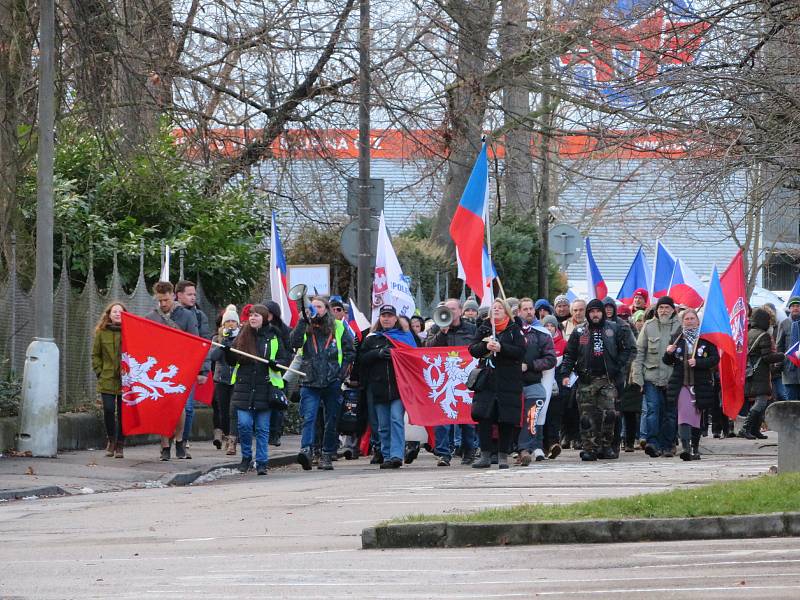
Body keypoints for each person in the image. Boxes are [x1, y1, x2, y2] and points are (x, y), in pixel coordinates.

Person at [221, 304, 290, 475]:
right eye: (251, 315)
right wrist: (228, 350)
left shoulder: (274, 336)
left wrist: (277, 364)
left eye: (257, 315)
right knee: (244, 425)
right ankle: (246, 457)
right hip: (244, 387)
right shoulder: (243, 335)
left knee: (262, 428)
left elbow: (284, 358)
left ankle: (262, 462)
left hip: (265, 388)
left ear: (265, 318)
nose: (252, 318)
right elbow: (232, 360)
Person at [561, 298, 632, 461]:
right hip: (586, 380)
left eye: (598, 311)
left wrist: (618, 366)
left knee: (609, 415)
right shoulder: (579, 332)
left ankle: (605, 447)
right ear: (588, 313)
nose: (595, 314)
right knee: (587, 418)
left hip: (607, 379)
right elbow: (569, 355)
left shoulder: (614, 329)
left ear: (602, 313)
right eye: (592, 311)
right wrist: (565, 374)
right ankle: (589, 448)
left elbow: (627, 349)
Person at [290, 296, 355, 471]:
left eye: (319, 306)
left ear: (326, 309)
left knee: (331, 420)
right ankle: (306, 450)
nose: (315, 309)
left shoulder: (338, 326)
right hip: (310, 380)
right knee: (309, 417)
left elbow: (350, 351)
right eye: (313, 306)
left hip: (332, 381)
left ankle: (327, 454)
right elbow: (293, 343)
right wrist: (302, 322)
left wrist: (341, 375)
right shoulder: (306, 326)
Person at [145, 281, 203, 461]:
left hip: (182, 367)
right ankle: (164, 445)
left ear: (173, 296)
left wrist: (201, 369)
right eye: (160, 300)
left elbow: (196, 342)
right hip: (159, 368)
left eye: (166, 300)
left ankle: (179, 440)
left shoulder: (186, 316)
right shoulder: (151, 318)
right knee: (163, 407)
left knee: (181, 409)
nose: (163, 304)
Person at [469, 298, 526, 469]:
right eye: (494, 308)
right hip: (487, 381)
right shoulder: (485, 327)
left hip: (508, 381)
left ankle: (502, 456)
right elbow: (472, 349)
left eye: (500, 308)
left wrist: (502, 349)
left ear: (506, 311)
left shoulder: (514, 329)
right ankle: (485, 454)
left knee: (506, 419)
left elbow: (521, 352)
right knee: (484, 417)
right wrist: (486, 346)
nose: (497, 310)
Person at [359, 305, 416, 469]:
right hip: (379, 387)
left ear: (395, 318)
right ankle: (387, 455)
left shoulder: (404, 337)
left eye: (390, 315)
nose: (386, 318)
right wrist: (377, 354)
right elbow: (361, 359)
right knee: (383, 425)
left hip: (399, 387)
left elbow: (414, 356)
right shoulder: (371, 338)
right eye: (383, 315)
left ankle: (397, 455)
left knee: (396, 420)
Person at [426, 299, 477, 466]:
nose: (450, 312)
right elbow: (427, 348)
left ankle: (469, 450)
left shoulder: (470, 329)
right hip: (445, 378)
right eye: (447, 309)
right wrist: (442, 333)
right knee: (443, 417)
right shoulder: (436, 328)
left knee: (467, 417)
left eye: (453, 309)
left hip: (466, 378)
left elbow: (477, 349)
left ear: (461, 311)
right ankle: (443, 454)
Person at [663, 309, 720, 461]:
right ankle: (686, 447)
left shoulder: (706, 340)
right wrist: (668, 353)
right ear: (682, 322)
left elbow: (715, 359)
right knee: (683, 415)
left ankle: (695, 447)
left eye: (692, 318)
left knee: (696, 416)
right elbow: (667, 362)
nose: (689, 321)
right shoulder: (677, 338)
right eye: (686, 319)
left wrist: (699, 362)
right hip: (682, 384)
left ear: (698, 321)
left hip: (700, 384)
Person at [631, 296, 680, 458]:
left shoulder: (680, 327)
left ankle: (668, 444)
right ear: (656, 310)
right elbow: (638, 353)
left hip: (672, 378)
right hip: (651, 377)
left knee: (670, 413)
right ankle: (653, 443)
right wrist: (637, 378)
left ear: (673, 310)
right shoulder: (648, 326)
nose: (664, 311)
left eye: (667, 307)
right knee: (653, 410)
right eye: (661, 308)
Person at [517, 299, 557, 465]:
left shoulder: (542, 334)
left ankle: (526, 448)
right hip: (513, 384)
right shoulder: (512, 332)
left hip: (533, 382)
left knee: (532, 415)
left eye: (531, 308)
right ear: (518, 312)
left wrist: (531, 365)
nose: (529, 312)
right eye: (525, 309)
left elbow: (550, 359)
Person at [175, 280, 212, 445]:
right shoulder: (172, 314)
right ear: (179, 295)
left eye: (194, 294)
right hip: (173, 367)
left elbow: (205, 344)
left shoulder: (199, 316)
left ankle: (183, 440)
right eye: (189, 294)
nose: (193, 297)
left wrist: (203, 371)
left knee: (188, 408)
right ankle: (171, 439)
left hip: (191, 368)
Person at [739, 308, 784, 439]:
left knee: (760, 401)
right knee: (761, 402)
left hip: (750, 372)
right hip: (760, 374)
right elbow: (767, 357)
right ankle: (745, 428)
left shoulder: (749, 333)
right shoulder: (763, 335)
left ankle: (755, 430)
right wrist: (782, 356)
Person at [92, 302, 128, 459]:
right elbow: (96, 354)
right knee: (108, 409)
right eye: (114, 311)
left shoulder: (130, 332)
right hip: (107, 378)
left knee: (123, 413)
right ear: (109, 314)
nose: (117, 314)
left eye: (120, 311)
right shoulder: (101, 332)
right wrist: (99, 372)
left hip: (126, 380)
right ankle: (111, 440)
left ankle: (120, 444)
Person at [209, 305, 240, 453]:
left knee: (233, 410)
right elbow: (213, 357)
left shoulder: (241, 337)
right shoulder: (217, 338)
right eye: (228, 321)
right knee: (223, 410)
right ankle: (226, 435)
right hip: (221, 379)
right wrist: (222, 344)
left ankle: (233, 439)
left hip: (236, 378)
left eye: (233, 321)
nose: (231, 324)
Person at [541, 314, 567, 458]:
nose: (549, 328)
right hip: (543, 383)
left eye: (551, 325)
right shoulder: (540, 341)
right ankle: (544, 445)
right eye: (546, 325)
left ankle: (553, 443)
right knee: (543, 414)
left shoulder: (563, 343)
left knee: (554, 415)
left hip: (558, 386)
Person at [777, 297, 800, 400]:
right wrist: (779, 365)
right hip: (789, 371)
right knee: (791, 404)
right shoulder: (784, 323)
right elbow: (779, 346)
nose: (795, 308)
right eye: (793, 306)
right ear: (789, 308)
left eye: (798, 306)